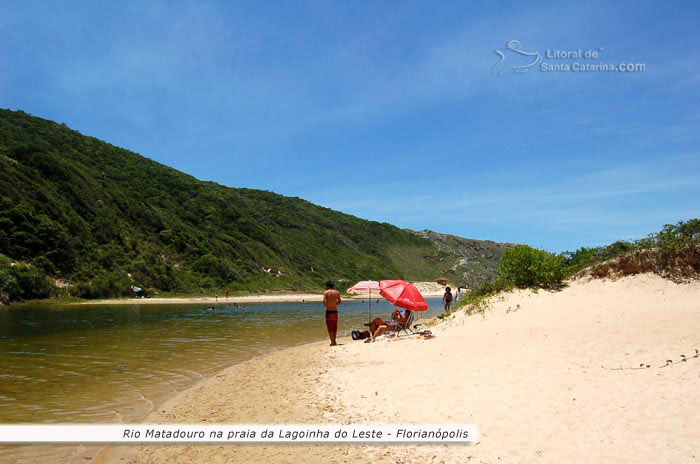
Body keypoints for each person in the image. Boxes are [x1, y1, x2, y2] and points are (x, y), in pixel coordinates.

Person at [323, 281, 342, 346]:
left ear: (327, 286)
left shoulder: (326, 292)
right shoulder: (337, 292)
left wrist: (329, 305)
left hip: (329, 312)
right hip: (335, 311)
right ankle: (334, 341)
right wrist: (334, 304)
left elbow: (324, 302)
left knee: (329, 327)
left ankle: (332, 341)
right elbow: (339, 302)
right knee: (334, 327)